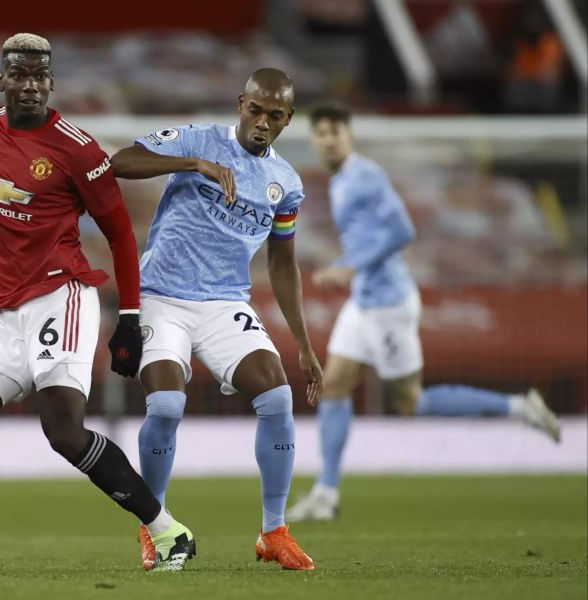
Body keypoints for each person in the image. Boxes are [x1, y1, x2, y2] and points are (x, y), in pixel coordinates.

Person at [0, 33, 195, 574]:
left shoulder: (79, 149)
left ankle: (170, 533)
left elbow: (120, 234)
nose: (28, 85)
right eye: (18, 75)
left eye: (38, 77)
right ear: (1, 81)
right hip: (6, 306)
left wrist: (130, 318)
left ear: (51, 84)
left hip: (61, 294)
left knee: (63, 432)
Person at [286, 101, 562, 522]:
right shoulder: (341, 180)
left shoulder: (365, 176)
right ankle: (326, 492)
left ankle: (520, 407)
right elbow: (370, 236)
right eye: (320, 133)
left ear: (349, 135)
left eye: (334, 132)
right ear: (313, 139)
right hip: (364, 300)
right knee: (336, 385)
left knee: (409, 402)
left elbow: (402, 231)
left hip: (388, 304)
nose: (327, 140)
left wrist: (349, 266)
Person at [111, 68, 323, 571]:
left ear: (288, 120)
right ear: (240, 104)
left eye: (275, 115)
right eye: (255, 110)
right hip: (161, 295)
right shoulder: (200, 138)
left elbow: (281, 263)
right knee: (164, 405)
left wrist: (305, 344)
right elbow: (120, 162)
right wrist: (196, 164)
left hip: (225, 302)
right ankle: (155, 527)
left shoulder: (285, 184)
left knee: (276, 396)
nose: (262, 122)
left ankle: (274, 531)